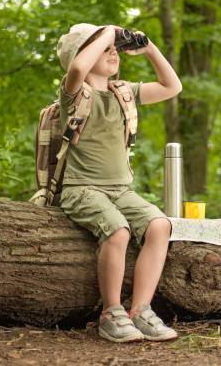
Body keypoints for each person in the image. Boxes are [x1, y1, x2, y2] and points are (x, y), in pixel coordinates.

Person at [55, 23, 182, 342]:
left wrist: (149, 47)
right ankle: (111, 312)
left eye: (115, 47)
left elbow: (172, 87)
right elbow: (80, 67)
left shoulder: (123, 92)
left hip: (120, 191)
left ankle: (140, 309)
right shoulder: (74, 94)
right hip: (81, 189)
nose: (113, 51)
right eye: (104, 47)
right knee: (117, 229)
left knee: (159, 225)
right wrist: (108, 33)